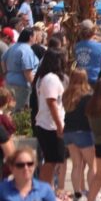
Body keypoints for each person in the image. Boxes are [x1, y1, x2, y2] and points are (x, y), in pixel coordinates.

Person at [32, 49, 67, 187]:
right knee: (51, 160)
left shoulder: (45, 77)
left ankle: (48, 188)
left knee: (53, 160)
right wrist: (59, 125)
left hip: (48, 124)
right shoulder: (51, 79)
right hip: (49, 125)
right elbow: (51, 103)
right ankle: (43, 189)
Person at [62, 68, 96, 201]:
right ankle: (93, 194)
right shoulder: (87, 95)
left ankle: (78, 194)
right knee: (92, 165)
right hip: (84, 131)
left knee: (77, 165)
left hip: (69, 131)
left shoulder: (67, 94)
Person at [2, 28, 39, 110]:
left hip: (9, 81)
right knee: (18, 111)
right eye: (35, 36)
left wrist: (6, 73)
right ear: (30, 37)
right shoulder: (27, 50)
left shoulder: (13, 47)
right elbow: (27, 71)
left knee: (9, 109)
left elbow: (3, 59)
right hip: (21, 86)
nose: (36, 39)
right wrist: (35, 85)